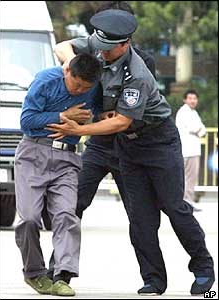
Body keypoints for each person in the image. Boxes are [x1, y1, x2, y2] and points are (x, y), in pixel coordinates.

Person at [46, 9, 215, 296]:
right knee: (141, 217)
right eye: (99, 47)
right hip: (128, 146)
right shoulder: (99, 47)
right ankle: (153, 279)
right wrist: (74, 64)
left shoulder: (137, 74)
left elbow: (121, 121)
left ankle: (203, 267)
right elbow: (62, 46)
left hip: (158, 142)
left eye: (108, 49)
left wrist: (77, 130)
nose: (101, 53)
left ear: (125, 44)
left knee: (174, 207)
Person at [46, 0, 157, 282]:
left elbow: (128, 112)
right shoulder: (93, 49)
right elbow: (61, 46)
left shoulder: (144, 64)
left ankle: (152, 278)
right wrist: (73, 62)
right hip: (98, 146)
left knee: (140, 215)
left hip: (129, 147)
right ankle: (58, 272)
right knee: (74, 205)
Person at [14, 53, 102, 296]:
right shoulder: (45, 81)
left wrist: (88, 120)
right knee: (30, 218)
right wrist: (63, 116)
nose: (80, 91)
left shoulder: (93, 88)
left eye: (86, 87)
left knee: (66, 215)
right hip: (34, 153)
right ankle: (34, 273)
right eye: (77, 84)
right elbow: (27, 120)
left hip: (68, 158)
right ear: (67, 72)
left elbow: (95, 112)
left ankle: (63, 275)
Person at [175, 90, 206, 211]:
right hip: (188, 150)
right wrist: (199, 129)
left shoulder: (194, 113)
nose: (193, 101)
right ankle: (187, 202)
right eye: (190, 98)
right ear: (185, 100)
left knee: (189, 177)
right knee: (188, 177)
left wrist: (199, 129)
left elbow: (202, 130)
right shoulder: (184, 112)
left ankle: (187, 201)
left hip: (192, 149)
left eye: (194, 98)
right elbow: (196, 128)